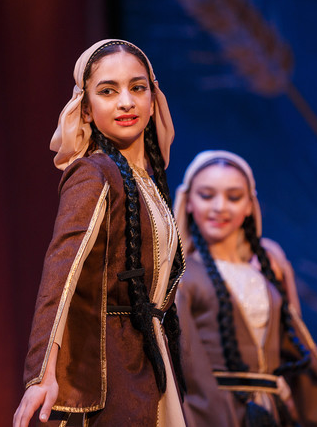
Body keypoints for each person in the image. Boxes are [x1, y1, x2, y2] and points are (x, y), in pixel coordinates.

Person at [13, 39, 187, 427]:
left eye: (137, 88)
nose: (126, 102)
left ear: (153, 100)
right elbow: (61, 271)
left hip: (150, 360)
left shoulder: (148, 181)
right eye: (108, 91)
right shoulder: (93, 173)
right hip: (114, 370)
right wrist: (41, 373)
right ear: (86, 108)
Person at [173, 150, 317, 427]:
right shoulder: (184, 276)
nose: (220, 207)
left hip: (272, 414)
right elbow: (189, 367)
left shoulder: (267, 272)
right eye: (207, 195)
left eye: (234, 197)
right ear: (189, 202)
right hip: (214, 416)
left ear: (249, 206)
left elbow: (298, 355)